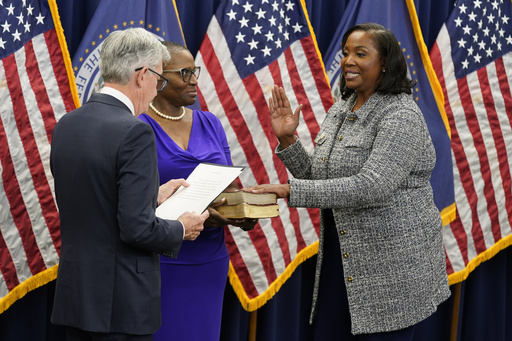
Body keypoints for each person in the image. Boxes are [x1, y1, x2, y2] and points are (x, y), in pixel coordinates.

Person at [245, 23, 451, 340]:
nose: (348, 61)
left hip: (392, 271)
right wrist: (288, 140)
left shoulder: (401, 114)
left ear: (385, 63)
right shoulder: (341, 107)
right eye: (345, 53)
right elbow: (318, 178)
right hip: (342, 261)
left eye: (360, 53)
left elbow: (372, 186)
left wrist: (289, 191)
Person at [50, 28, 209, 341]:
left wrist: (152, 196)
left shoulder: (67, 123)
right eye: (159, 80)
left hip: (76, 299)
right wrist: (181, 227)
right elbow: (137, 229)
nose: (156, 90)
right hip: (120, 307)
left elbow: (94, 199)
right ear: (142, 75)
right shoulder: (134, 132)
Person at [138, 41, 257, 341]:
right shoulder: (136, 126)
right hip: (160, 259)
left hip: (209, 259)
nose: (194, 81)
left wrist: (242, 212)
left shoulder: (210, 122)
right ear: (158, 76)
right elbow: (130, 199)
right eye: (185, 73)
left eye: (196, 72)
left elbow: (229, 186)